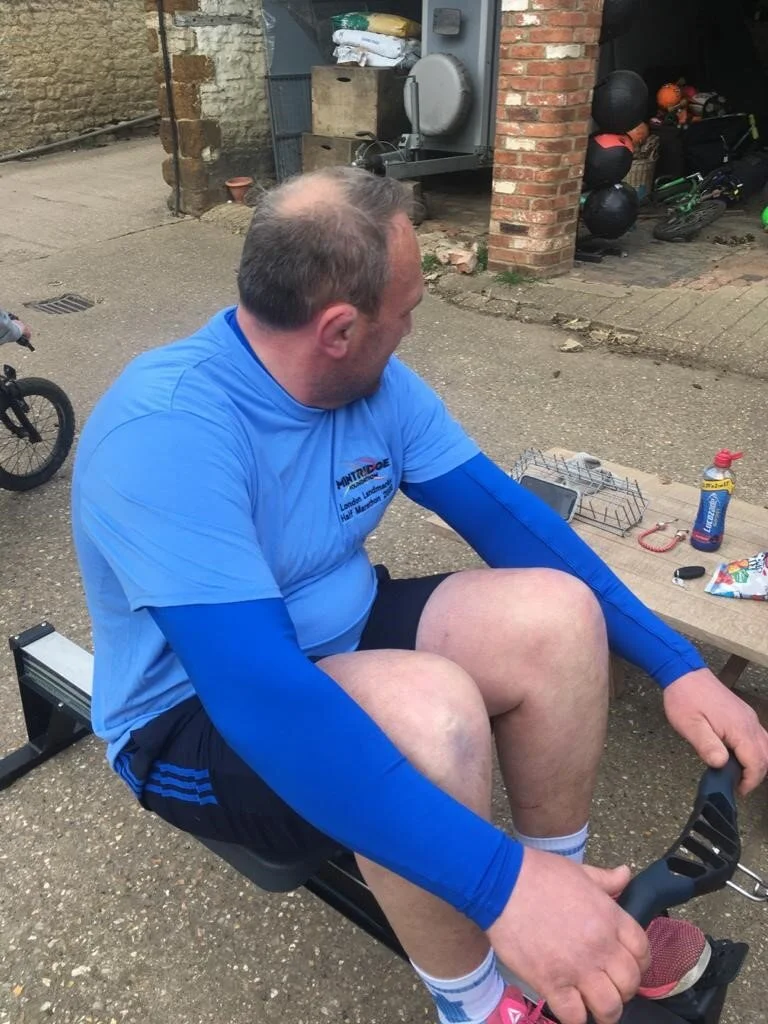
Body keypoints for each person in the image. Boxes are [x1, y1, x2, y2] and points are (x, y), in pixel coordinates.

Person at [71, 167, 768, 1024]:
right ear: (338, 328)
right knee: (430, 714)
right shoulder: (167, 433)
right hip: (194, 719)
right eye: (405, 311)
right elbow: (261, 694)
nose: (410, 328)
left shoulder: (375, 388)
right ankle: (478, 1005)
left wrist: (679, 666)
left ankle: (571, 906)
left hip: (337, 635)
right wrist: (497, 883)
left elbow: (510, 520)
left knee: (556, 615)